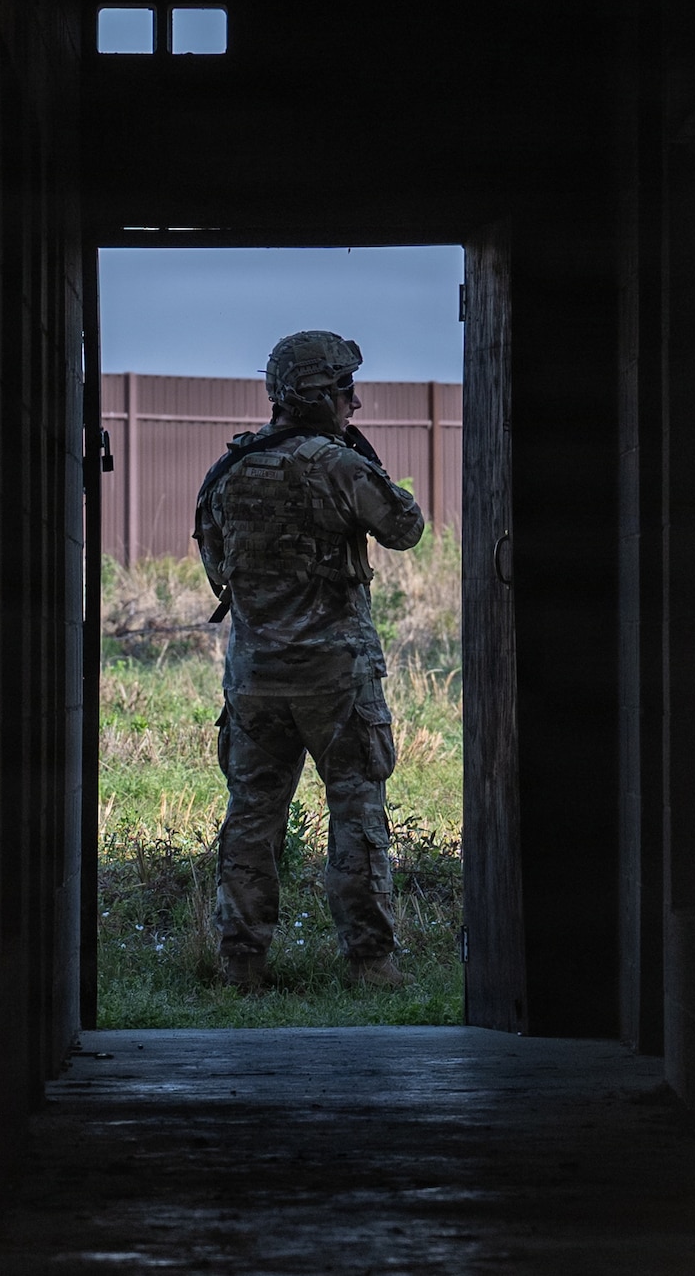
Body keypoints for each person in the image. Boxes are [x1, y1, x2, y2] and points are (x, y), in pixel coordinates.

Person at [193, 330, 426, 991]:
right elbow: (405, 528)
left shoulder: (232, 468)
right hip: (336, 681)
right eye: (347, 389)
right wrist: (358, 453)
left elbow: (216, 565)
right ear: (321, 396)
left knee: (251, 815)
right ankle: (372, 962)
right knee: (356, 811)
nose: (357, 400)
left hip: (256, 678)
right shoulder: (336, 464)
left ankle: (240, 962)